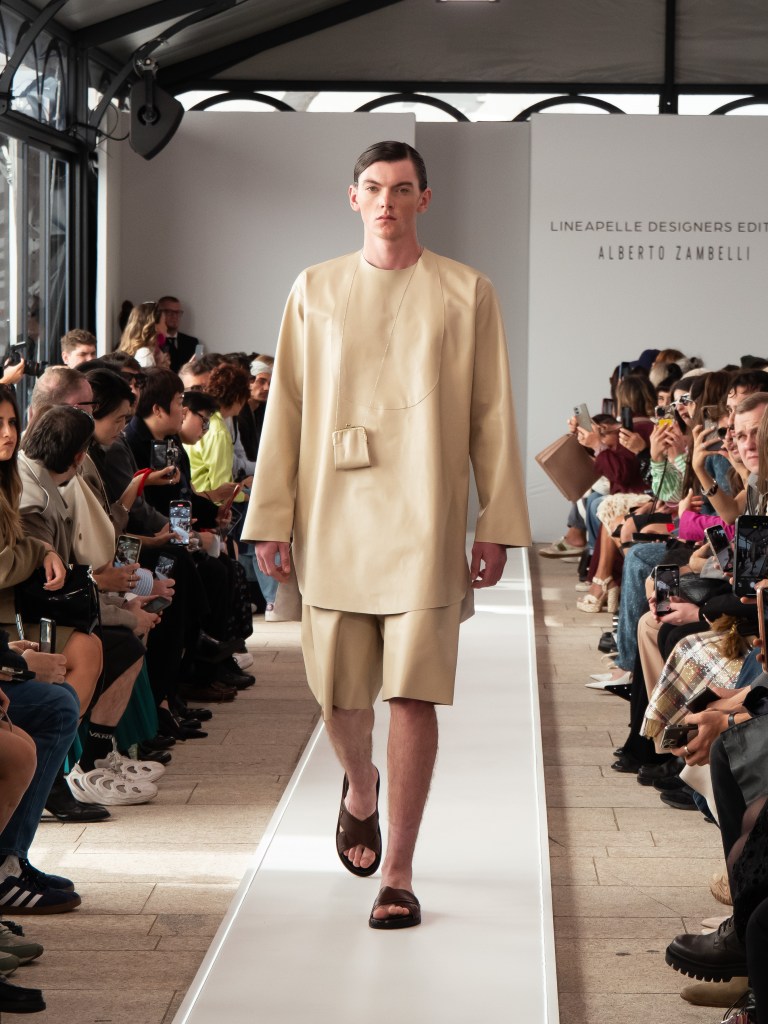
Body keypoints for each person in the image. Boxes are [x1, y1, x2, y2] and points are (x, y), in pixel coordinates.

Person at [244, 141, 530, 929]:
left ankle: (398, 870)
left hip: (427, 515)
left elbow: (492, 413)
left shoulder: (467, 292)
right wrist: (270, 515)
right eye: (373, 187)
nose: (387, 201)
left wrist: (496, 522)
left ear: (424, 200)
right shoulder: (314, 288)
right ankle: (360, 786)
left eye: (402, 189)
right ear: (353, 197)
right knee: (339, 693)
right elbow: (286, 408)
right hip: (333, 512)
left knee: (412, 692)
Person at [155, 296, 199, 372]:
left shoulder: (193, 342)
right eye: (169, 312)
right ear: (159, 314)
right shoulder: (154, 342)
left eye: (177, 312)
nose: (174, 316)